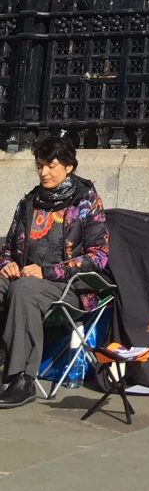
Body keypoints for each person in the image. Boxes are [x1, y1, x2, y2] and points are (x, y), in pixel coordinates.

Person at [0, 133, 110, 409]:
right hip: (27, 278)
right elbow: (8, 248)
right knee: (11, 282)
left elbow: (98, 257)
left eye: (51, 165)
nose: (44, 172)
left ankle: (21, 378)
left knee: (23, 289)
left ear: (69, 167)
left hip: (70, 287)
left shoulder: (85, 202)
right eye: (40, 165)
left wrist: (47, 272)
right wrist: (7, 264)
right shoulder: (28, 203)